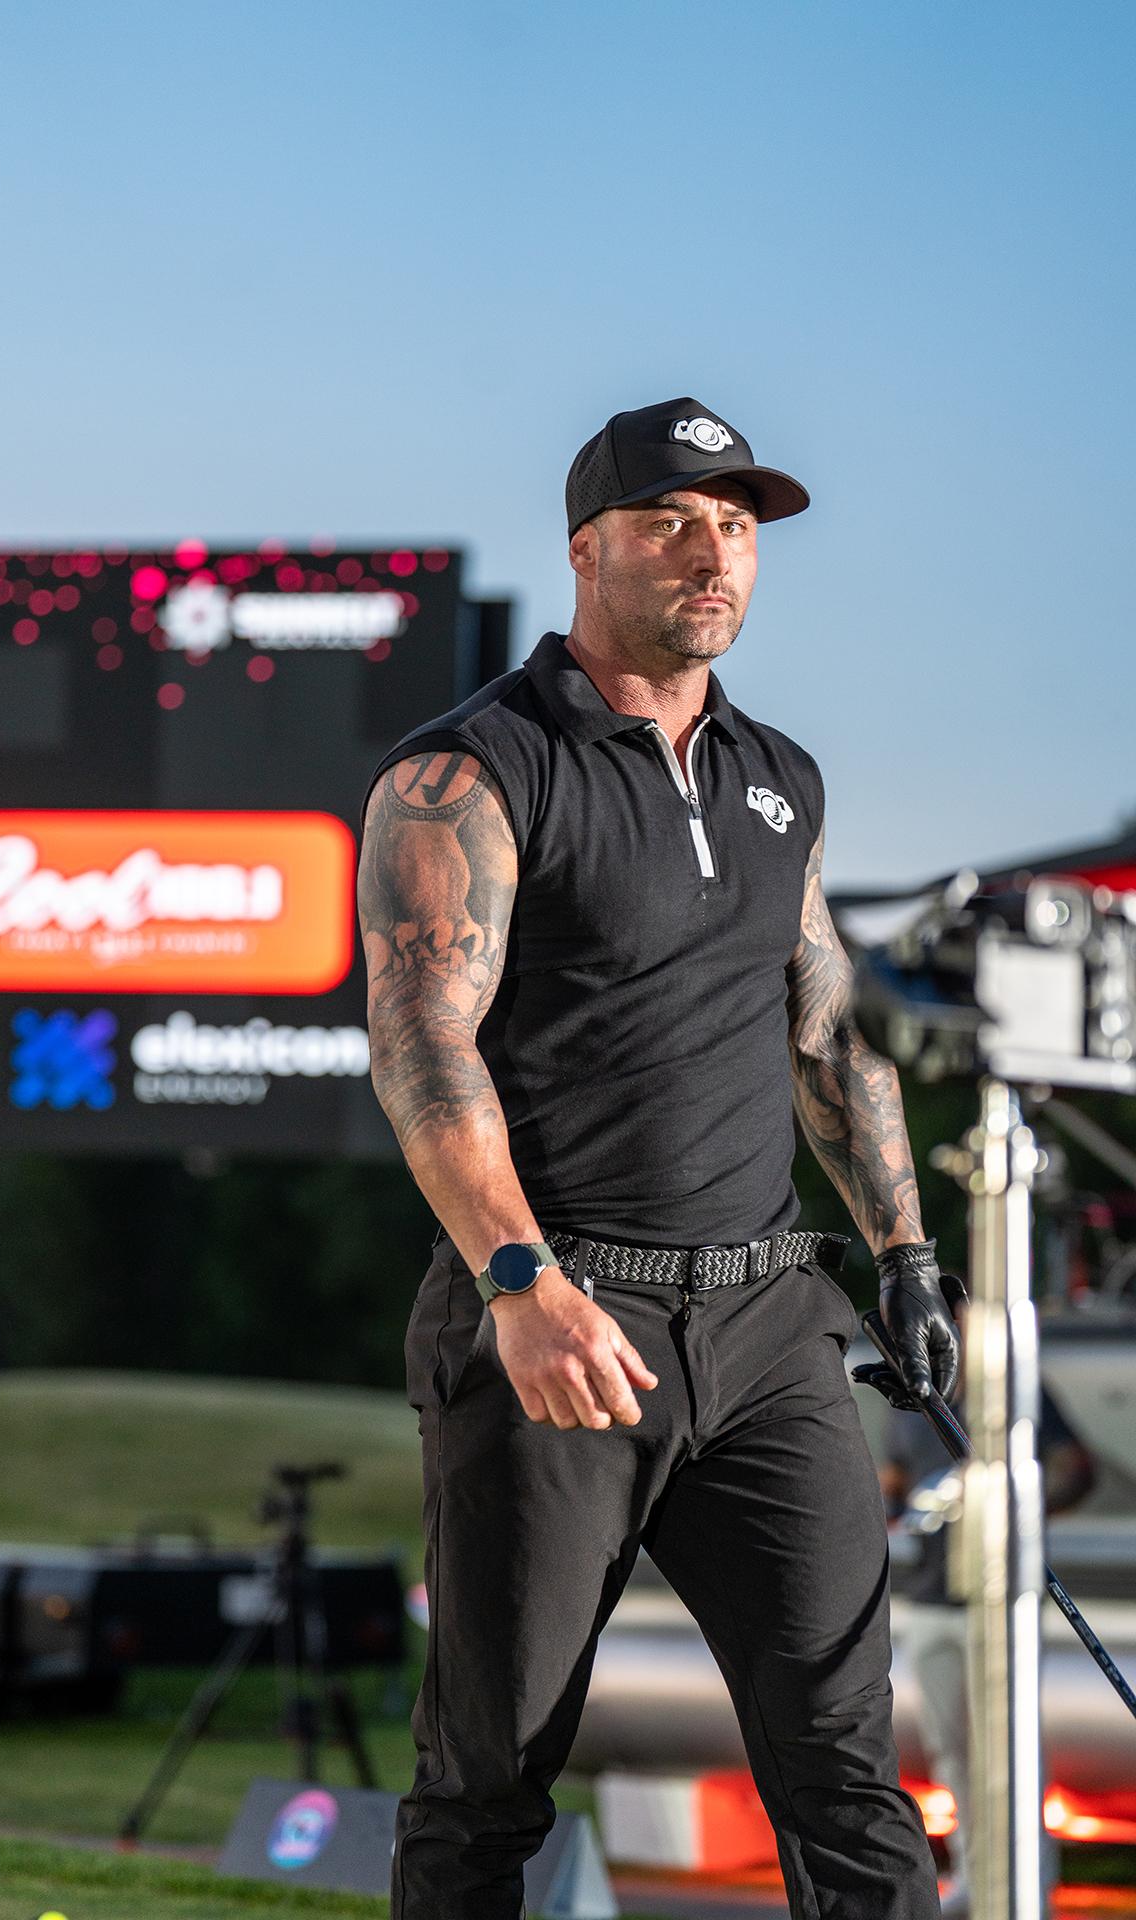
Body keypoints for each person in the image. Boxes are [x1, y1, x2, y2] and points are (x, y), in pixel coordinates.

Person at [357, 396, 962, 1920]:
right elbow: (427, 1045)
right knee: (490, 1778)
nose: (715, 553)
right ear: (586, 548)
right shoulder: (469, 775)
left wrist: (905, 1258)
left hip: (766, 1328)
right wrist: (519, 1281)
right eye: (675, 521)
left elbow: (826, 1035)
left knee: (846, 1769)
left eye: (741, 525)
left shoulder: (784, 780)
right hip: (565, 1321)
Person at [880, 1358, 1096, 1914]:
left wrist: (1020, 1516)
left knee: (1011, 1750)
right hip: (930, 1597)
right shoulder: (914, 1397)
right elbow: (894, 1483)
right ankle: (975, 1881)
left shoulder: (1018, 1385)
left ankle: (1030, 1892)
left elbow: (1077, 1468)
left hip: (1001, 1602)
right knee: (951, 1751)